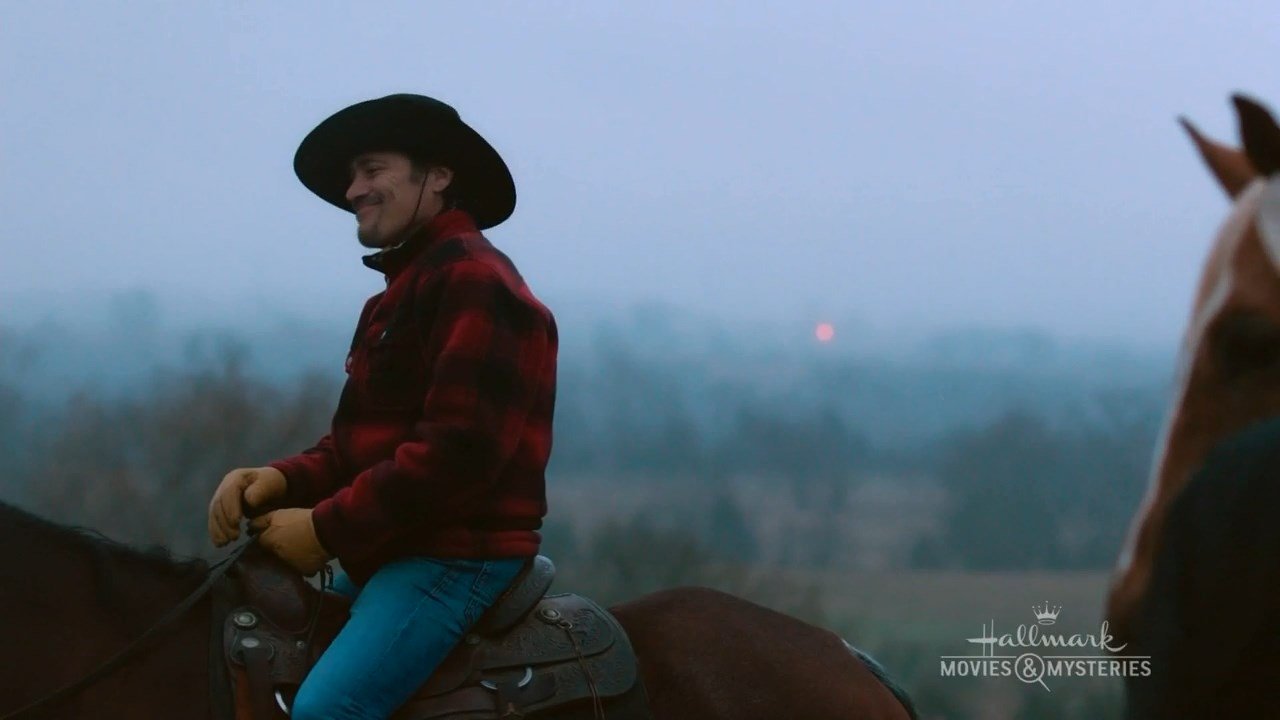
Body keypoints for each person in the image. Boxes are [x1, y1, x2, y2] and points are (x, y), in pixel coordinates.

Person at [205, 94, 558, 720]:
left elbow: (457, 454)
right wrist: (283, 479)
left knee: (324, 711)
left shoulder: (476, 281)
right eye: (351, 177)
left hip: (457, 557)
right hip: (397, 548)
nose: (353, 191)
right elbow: (358, 447)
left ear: (438, 175)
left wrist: (325, 530)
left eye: (373, 170)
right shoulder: (398, 295)